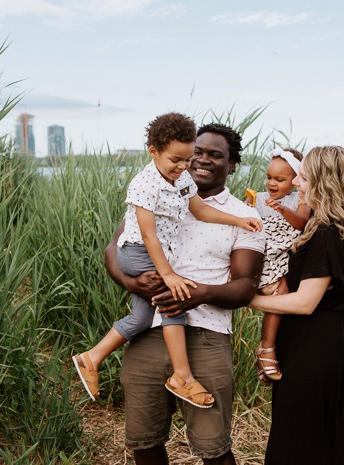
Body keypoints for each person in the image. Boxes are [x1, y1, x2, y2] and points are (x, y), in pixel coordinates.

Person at [72, 113, 262, 408]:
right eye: (180, 159)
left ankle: (90, 358)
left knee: (141, 317)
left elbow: (200, 211)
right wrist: (169, 275)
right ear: (154, 151)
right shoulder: (144, 185)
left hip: (165, 269)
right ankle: (182, 376)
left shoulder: (182, 178)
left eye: (187, 160)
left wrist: (239, 219)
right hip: (138, 251)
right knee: (173, 298)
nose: (186, 166)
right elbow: (148, 237)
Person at [105, 123, 265, 465]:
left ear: (232, 164)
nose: (201, 160)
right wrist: (133, 284)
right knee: (144, 442)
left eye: (215, 155)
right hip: (148, 332)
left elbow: (245, 286)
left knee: (214, 449)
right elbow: (114, 249)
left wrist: (197, 294)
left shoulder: (245, 215)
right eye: (197, 152)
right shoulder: (155, 192)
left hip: (206, 338)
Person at [248, 146, 344, 465]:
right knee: (300, 432)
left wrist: (247, 299)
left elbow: (305, 301)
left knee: (302, 439)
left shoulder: (330, 232)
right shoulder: (322, 225)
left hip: (317, 344)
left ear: (322, 182)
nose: (297, 183)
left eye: (303, 177)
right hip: (308, 340)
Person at [244, 148, 311, 383]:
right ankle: (267, 348)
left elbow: (301, 223)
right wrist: (248, 207)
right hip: (265, 253)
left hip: (284, 255)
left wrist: (282, 209)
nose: (272, 183)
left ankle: (267, 349)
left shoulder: (301, 200)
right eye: (269, 177)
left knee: (282, 293)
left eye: (279, 179)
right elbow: (245, 221)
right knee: (280, 294)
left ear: (294, 181)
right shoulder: (258, 197)